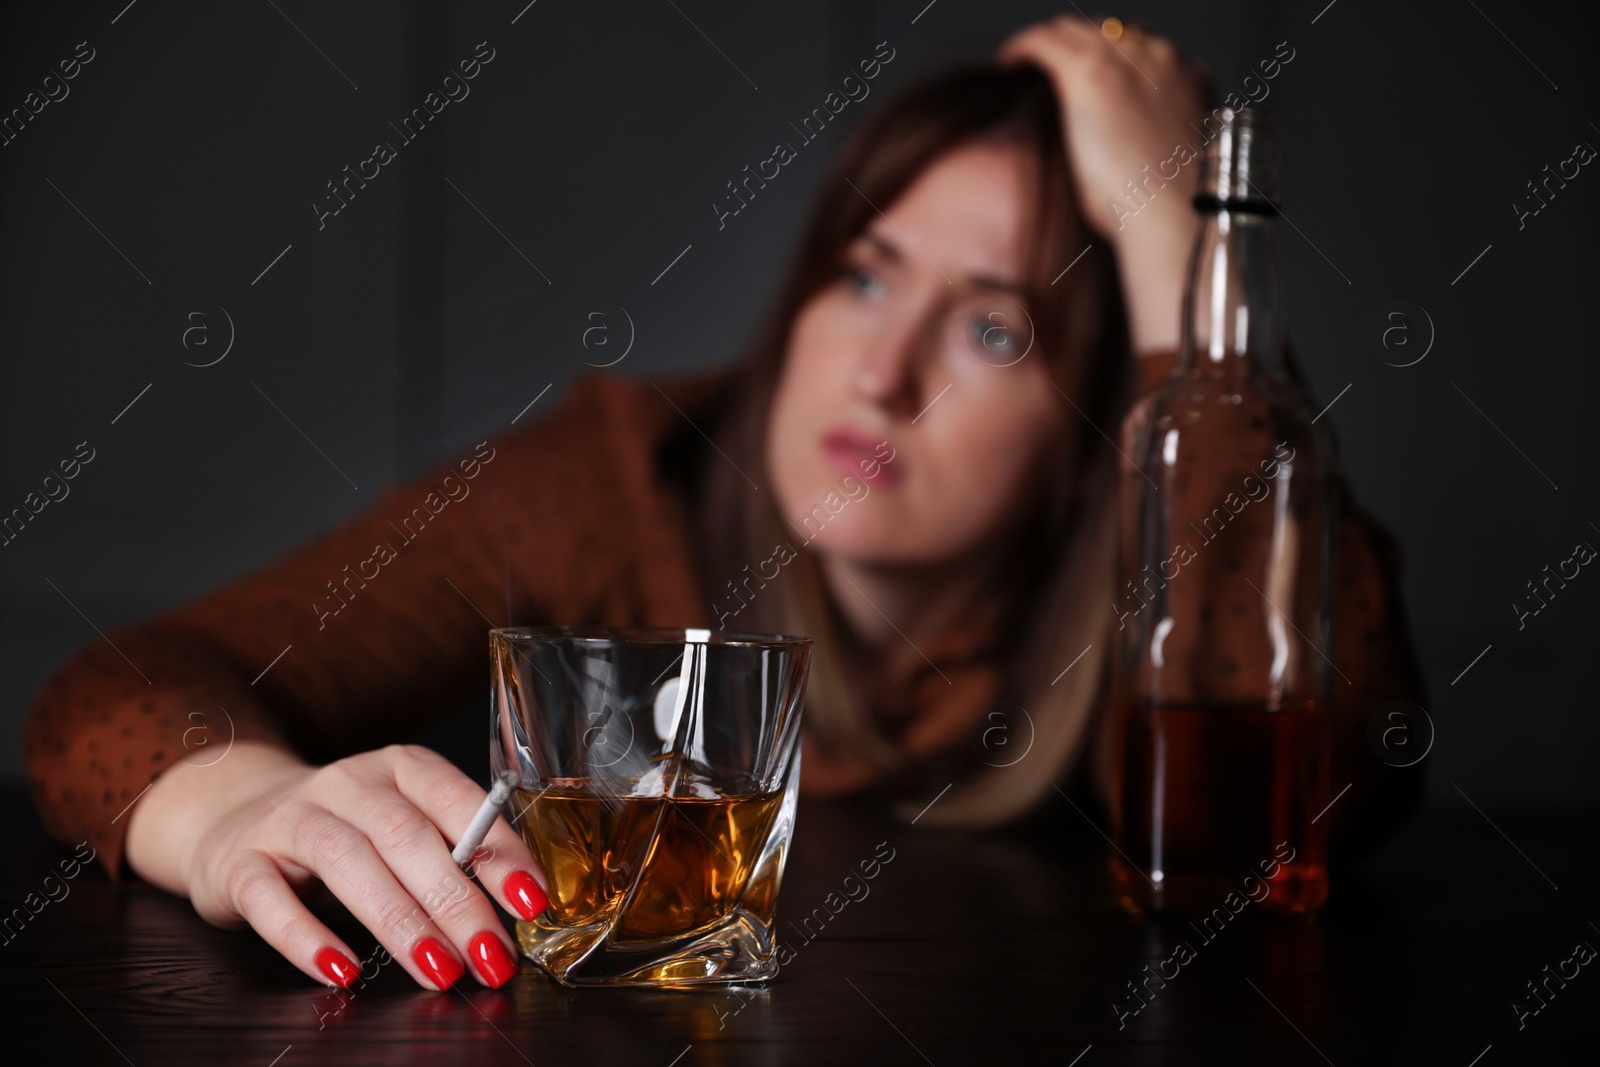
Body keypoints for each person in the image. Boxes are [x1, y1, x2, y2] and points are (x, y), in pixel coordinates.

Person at [22, 17, 1425, 993]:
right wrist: (229, 813)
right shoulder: (619, 478)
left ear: (1099, 426)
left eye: (993, 330)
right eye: (863, 276)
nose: (879, 374)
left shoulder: (1153, 561)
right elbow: (119, 689)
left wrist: (1189, 237)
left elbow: (1319, 795)